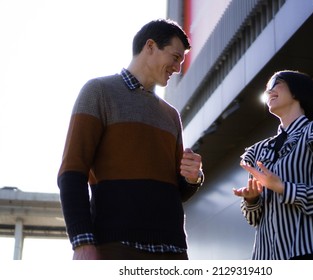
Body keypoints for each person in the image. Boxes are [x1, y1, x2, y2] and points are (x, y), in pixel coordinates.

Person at [57, 19, 204, 260]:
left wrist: (192, 178)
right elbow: (72, 172)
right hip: (117, 246)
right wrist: (82, 241)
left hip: (173, 251)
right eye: (176, 57)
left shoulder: (171, 115)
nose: (178, 68)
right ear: (150, 46)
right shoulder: (98, 92)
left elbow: (177, 192)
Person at [233, 70, 313, 260]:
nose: (269, 91)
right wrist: (251, 200)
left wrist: (283, 187)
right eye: (266, 89)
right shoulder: (259, 150)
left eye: (275, 84)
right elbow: (254, 219)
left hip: (310, 253)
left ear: (298, 90)